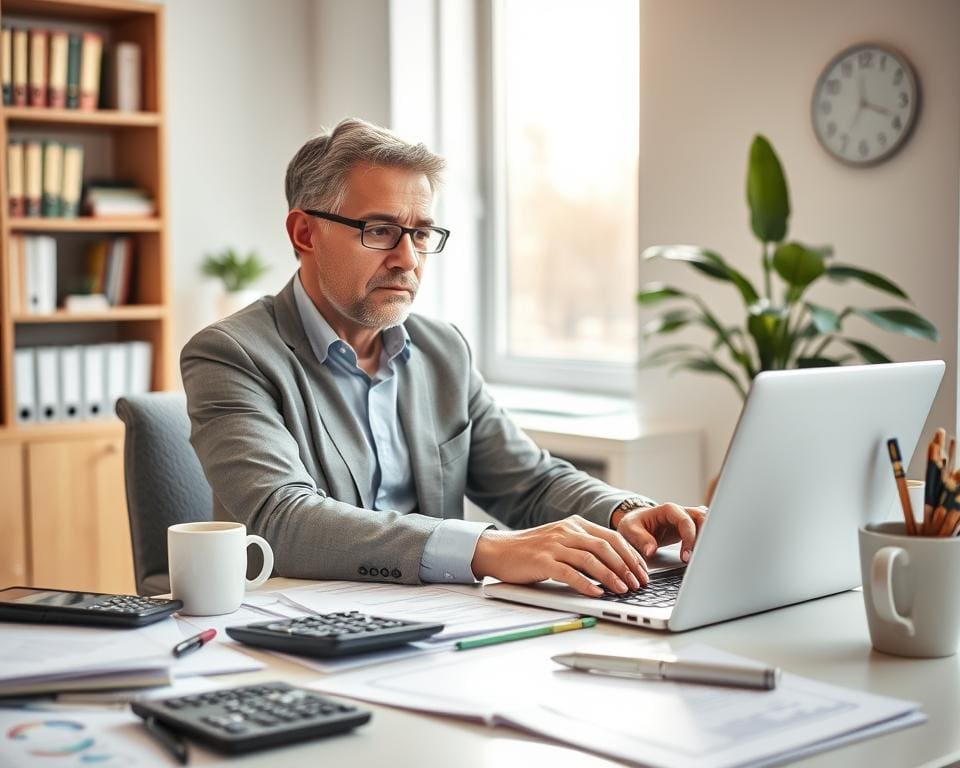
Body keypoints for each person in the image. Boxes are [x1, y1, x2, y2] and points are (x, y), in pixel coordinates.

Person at [181, 117, 706, 597]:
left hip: (437, 622)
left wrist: (625, 512)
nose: (407, 258)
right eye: (380, 230)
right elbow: (284, 520)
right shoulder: (232, 354)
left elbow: (529, 481)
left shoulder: (441, 349)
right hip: (301, 626)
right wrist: (487, 549)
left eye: (422, 233)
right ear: (304, 234)